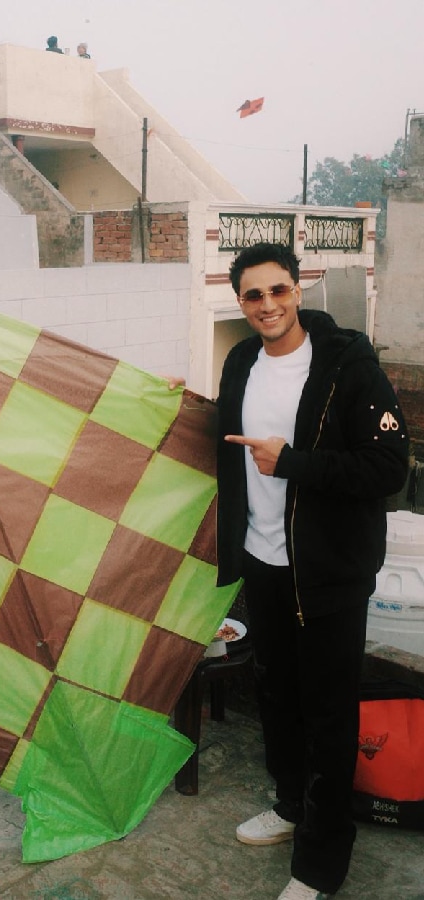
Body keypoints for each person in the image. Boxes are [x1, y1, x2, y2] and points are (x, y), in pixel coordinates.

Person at [217, 242, 409, 900]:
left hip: (328, 573)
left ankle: (320, 863)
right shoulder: (240, 362)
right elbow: (223, 440)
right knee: (277, 696)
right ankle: (291, 805)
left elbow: (388, 468)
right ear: (240, 303)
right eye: (253, 295)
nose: (267, 304)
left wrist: (293, 462)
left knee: (329, 715)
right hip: (263, 560)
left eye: (278, 290)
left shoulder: (348, 365)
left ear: (298, 290)